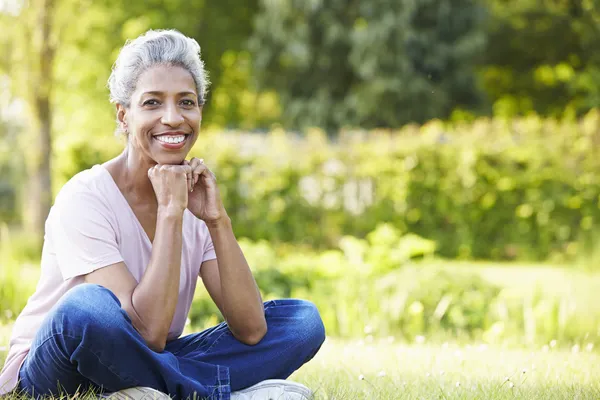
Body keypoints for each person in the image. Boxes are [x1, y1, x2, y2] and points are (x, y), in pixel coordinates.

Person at [0, 29, 325, 400]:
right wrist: (171, 213)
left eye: (186, 102)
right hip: (56, 367)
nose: (172, 118)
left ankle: (141, 392)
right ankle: (215, 394)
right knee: (85, 308)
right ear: (123, 116)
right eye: (153, 103)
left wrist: (217, 221)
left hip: (144, 360)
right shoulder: (85, 196)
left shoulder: (195, 196)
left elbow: (251, 329)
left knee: (301, 323)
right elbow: (147, 331)